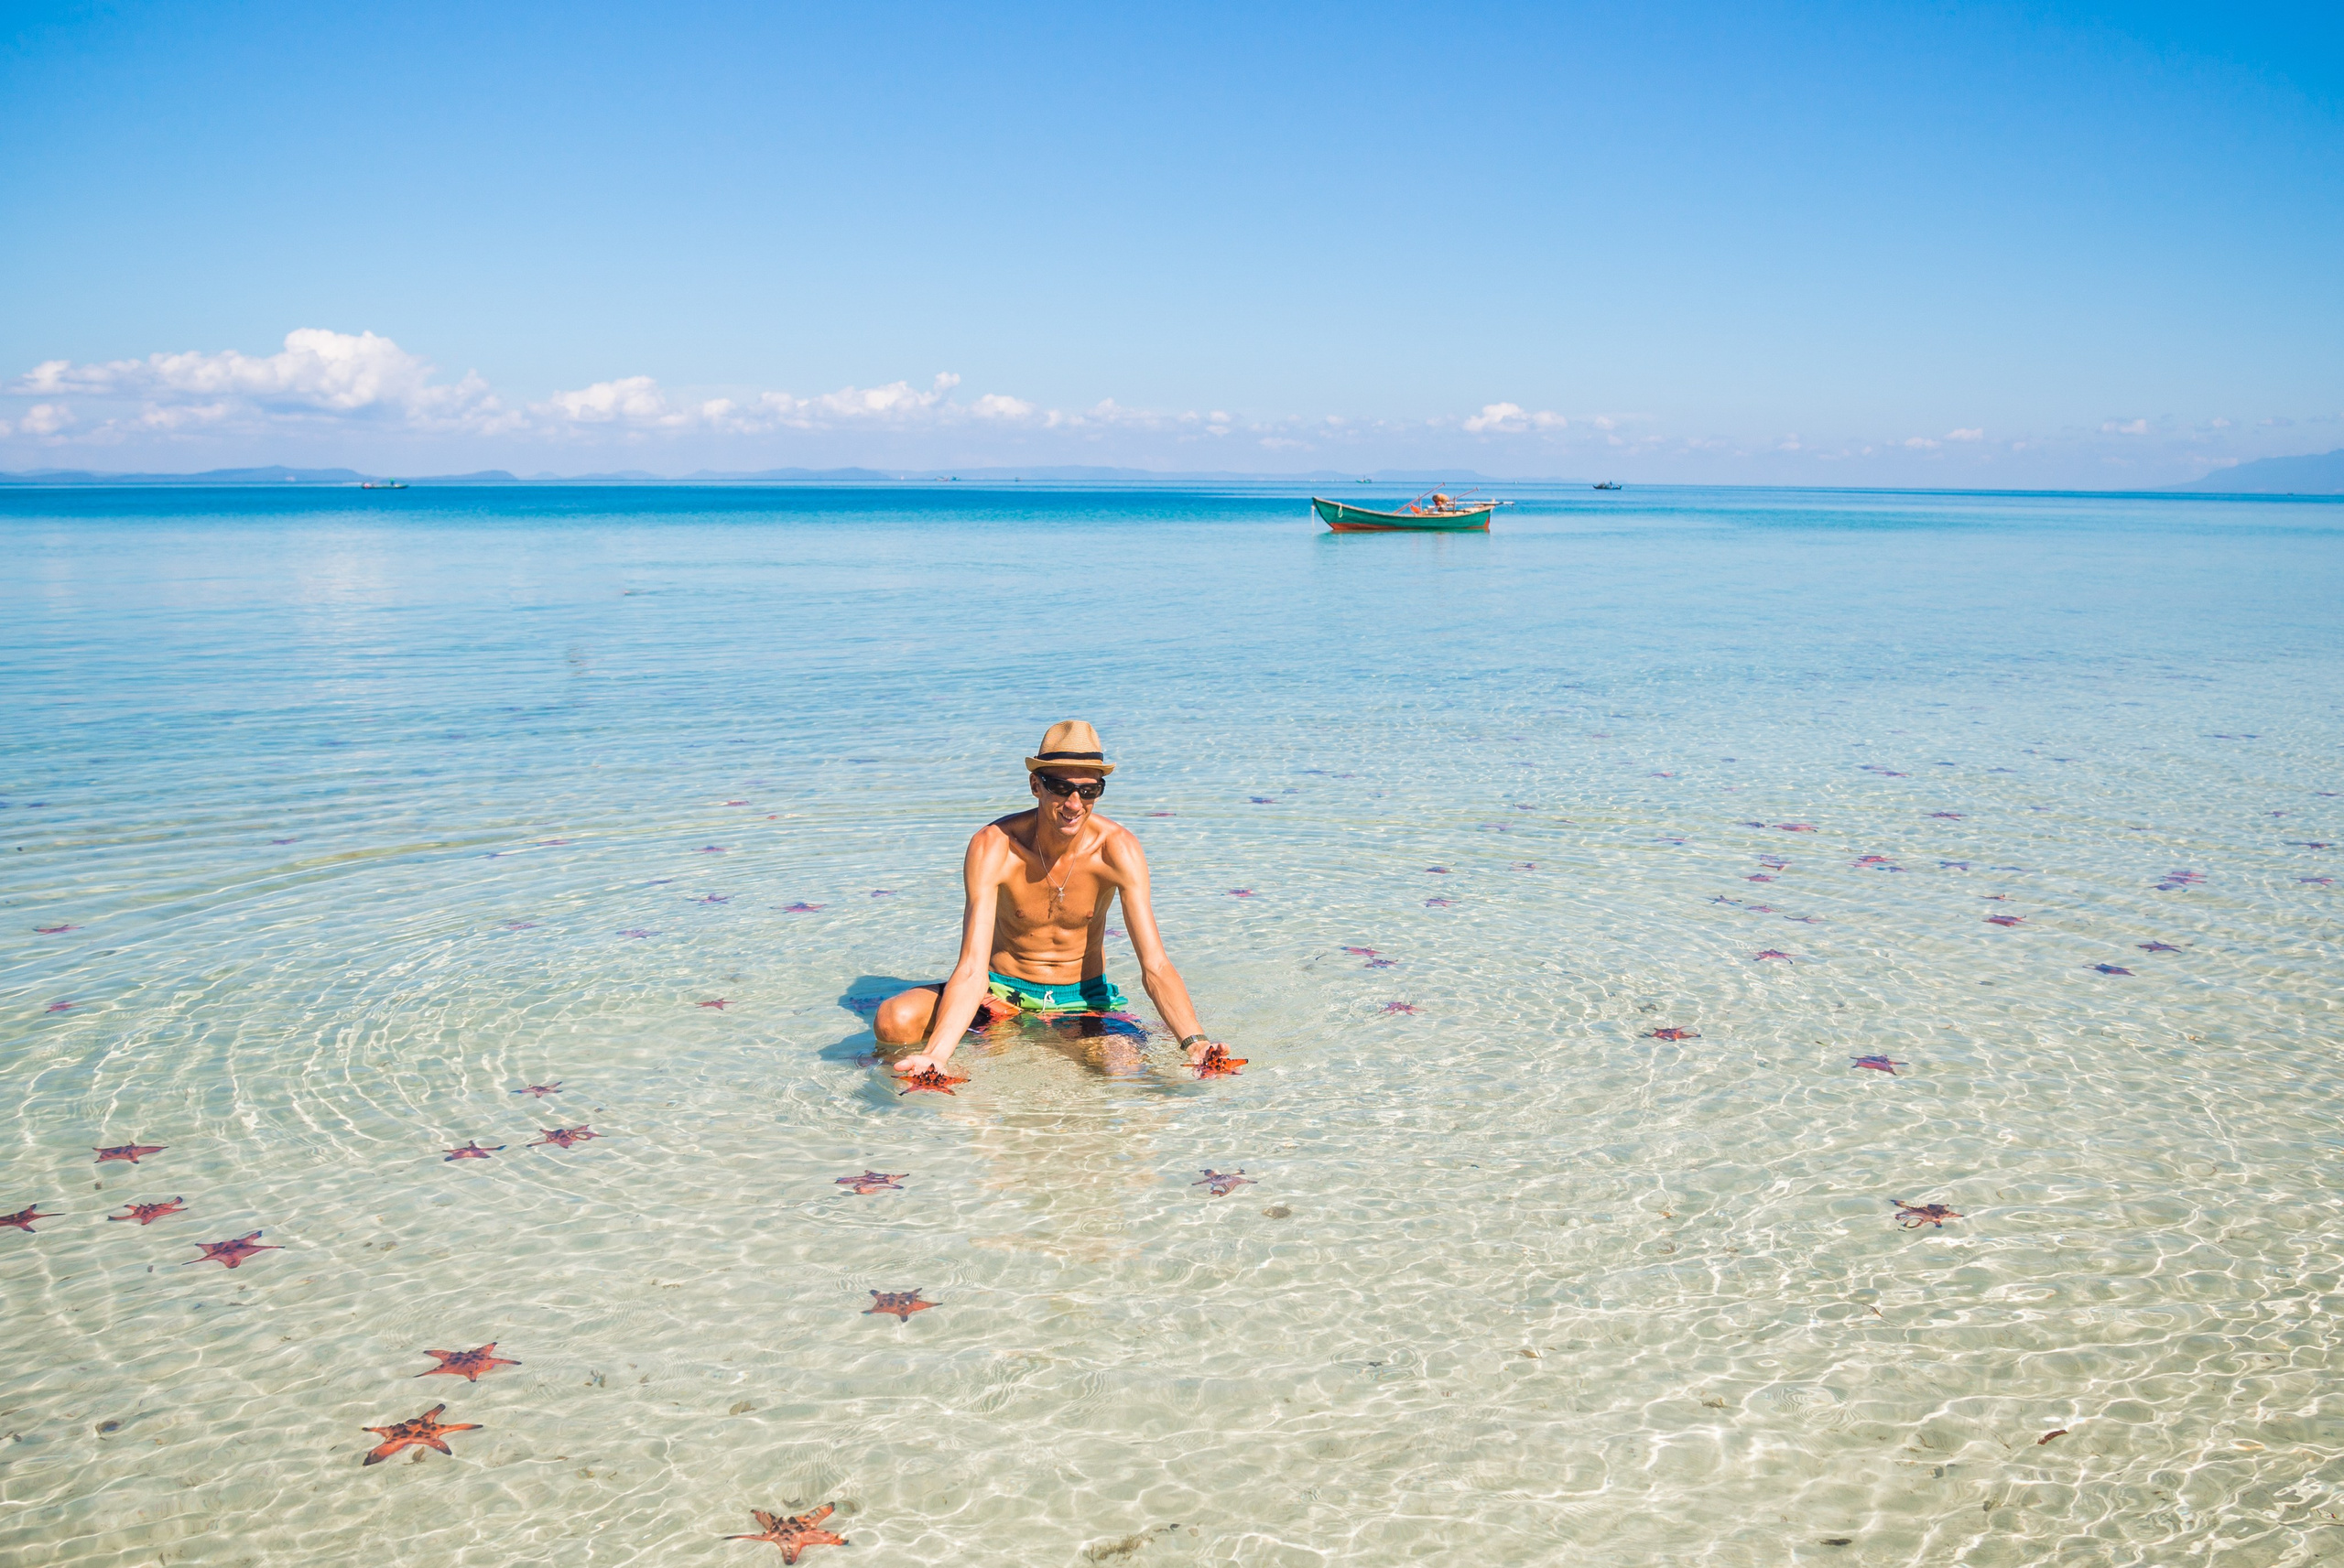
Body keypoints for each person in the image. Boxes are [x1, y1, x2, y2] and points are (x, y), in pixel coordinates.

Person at [876, 720, 1226, 1076]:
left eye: (1089, 791)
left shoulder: (1117, 849)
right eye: (1061, 788)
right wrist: (938, 1056)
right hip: (998, 994)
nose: (1074, 804)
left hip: (1080, 1001)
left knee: (1122, 1068)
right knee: (894, 1019)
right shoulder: (996, 846)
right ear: (1035, 786)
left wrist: (1194, 1040)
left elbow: (1156, 966)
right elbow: (970, 967)